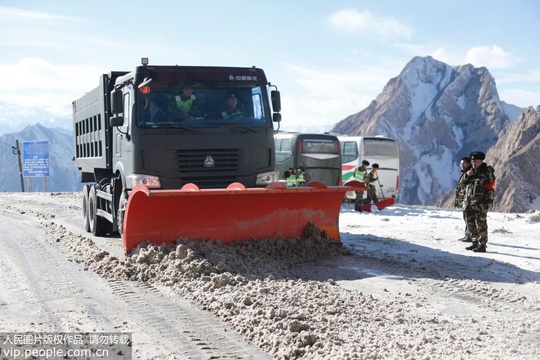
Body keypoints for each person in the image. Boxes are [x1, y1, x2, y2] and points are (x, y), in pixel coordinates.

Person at [462, 151, 496, 253]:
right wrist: (467, 175)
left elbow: (491, 188)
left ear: (481, 161)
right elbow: (462, 184)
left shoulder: (487, 173)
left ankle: (482, 244)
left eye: (477, 161)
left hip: (481, 203)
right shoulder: (471, 172)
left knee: (481, 223)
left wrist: (489, 201)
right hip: (469, 202)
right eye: (473, 161)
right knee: (470, 222)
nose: (474, 163)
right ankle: (475, 242)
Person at [455, 156, 473, 242]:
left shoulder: (470, 173)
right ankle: (467, 234)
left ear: (469, 163)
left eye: (464, 164)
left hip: (469, 199)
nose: (462, 165)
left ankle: (470, 235)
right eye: (461, 164)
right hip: (465, 199)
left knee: (468, 217)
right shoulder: (466, 172)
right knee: (466, 217)